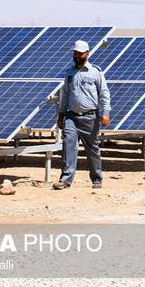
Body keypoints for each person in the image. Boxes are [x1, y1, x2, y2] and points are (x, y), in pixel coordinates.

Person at [52, 40, 111, 190]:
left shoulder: (95, 72)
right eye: (75, 53)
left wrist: (105, 112)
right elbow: (65, 95)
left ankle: (97, 179)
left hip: (90, 117)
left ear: (87, 54)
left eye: (80, 53)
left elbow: (104, 93)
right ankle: (65, 180)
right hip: (71, 116)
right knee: (68, 146)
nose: (77, 56)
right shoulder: (69, 73)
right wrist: (60, 115)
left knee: (92, 149)